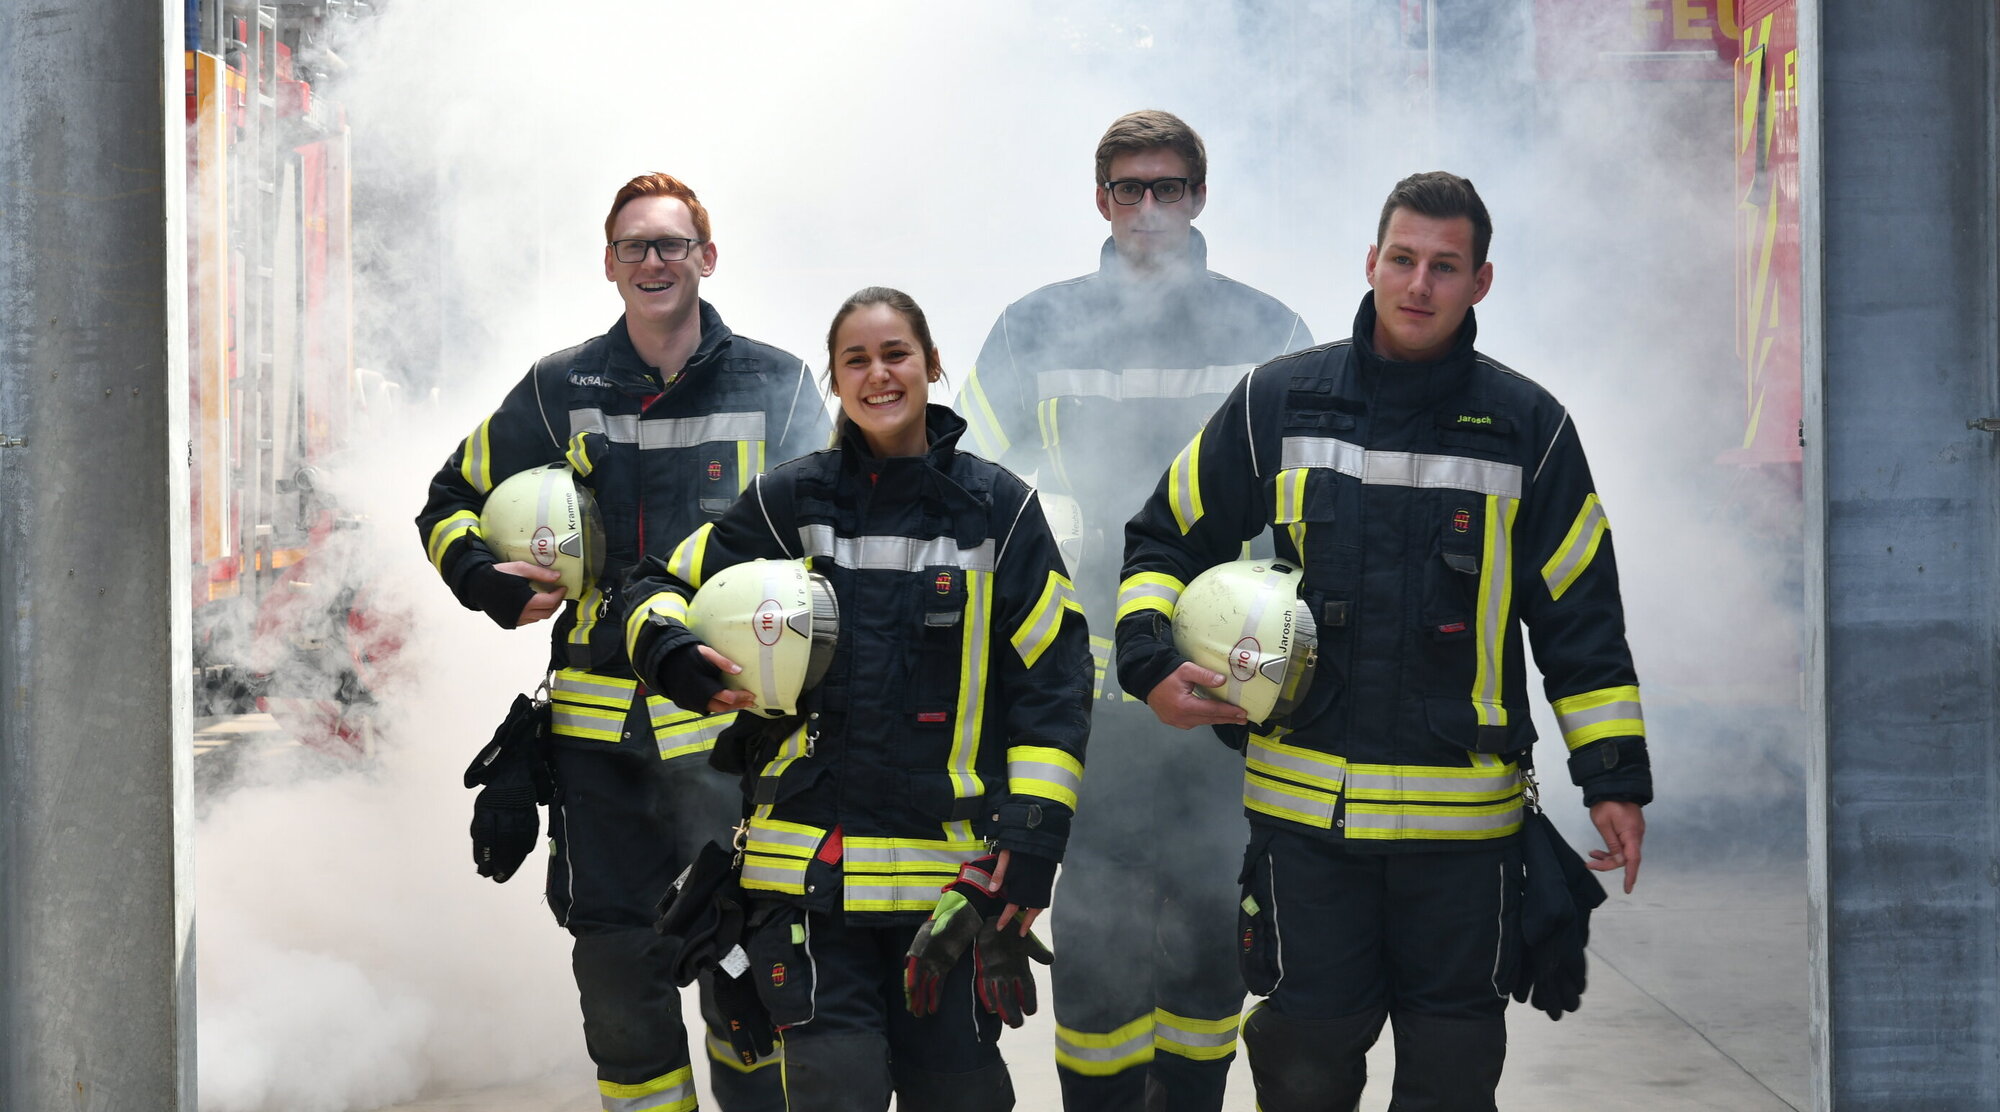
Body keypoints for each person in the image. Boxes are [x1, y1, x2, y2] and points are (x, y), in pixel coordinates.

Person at [1114, 171, 1652, 1111]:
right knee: (1304, 1068)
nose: (1419, 284)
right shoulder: (1279, 401)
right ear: (1370, 262)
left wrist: (1611, 777)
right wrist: (1151, 663)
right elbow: (1163, 537)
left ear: (1481, 281)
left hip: (1466, 845)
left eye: (1445, 266)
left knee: (1452, 1077)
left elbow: (1582, 616)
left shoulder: (1531, 430)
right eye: (1402, 259)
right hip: (1308, 838)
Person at [625, 287, 1092, 1112]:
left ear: (932, 365)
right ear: (836, 381)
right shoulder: (788, 502)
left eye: (896, 354)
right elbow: (656, 585)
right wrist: (671, 653)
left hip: (948, 898)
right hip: (807, 891)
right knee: (836, 1090)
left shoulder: (999, 511)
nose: (879, 374)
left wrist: (1032, 847)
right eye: (856, 360)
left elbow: (1053, 683)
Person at [416, 172, 825, 1112]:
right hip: (601, 750)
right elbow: (449, 499)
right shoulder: (560, 387)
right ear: (609, 264)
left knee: (745, 983)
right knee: (616, 978)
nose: (653, 261)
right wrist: (482, 579)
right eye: (633, 246)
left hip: (737, 744)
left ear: (706, 258)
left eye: (671, 244)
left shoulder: (779, 384)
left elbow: (830, 528)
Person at [955, 109, 1312, 1112]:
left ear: (1198, 196)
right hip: (1088, 700)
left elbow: (1311, 510)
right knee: (1097, 933)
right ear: (1100, 199)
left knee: (1209, 922)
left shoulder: (1269, 332)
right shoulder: (1034, 328)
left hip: (1227, 695)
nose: (1148, 207)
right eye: (1128, 188)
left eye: (1167, 187)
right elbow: (965, 486)